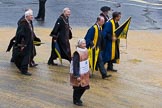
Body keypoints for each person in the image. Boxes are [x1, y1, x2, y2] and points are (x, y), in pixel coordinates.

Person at [13, 10, 35, 76]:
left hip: (29, 43)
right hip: (24, 44)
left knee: (26, 56)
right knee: (24, 57)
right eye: (31, 16)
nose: (32, 17)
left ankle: (23, 69)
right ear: (27, 16)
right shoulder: (23, 24)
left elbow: (31, 32)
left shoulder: (29, 22)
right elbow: (20, 35)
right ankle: (24, 70)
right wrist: (22, 44)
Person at [70, 39, 90, 106]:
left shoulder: (86, 50)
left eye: (85, 43)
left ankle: (78, 98)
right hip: (78, 73)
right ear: (79, 45)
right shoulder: (77, 53)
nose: (85, 45)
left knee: (84, 86)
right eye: (83, 44)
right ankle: (76, 100)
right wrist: (77, 75)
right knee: (77, 87)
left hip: (84, 73)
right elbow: (75, 65)